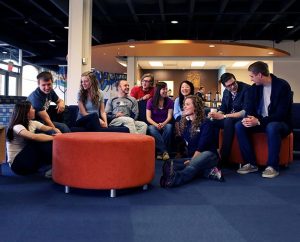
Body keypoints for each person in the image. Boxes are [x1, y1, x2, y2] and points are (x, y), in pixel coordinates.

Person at [235, 61, 293, 178]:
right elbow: (249, 108)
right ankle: (250, 163)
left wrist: (259, 121)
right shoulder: (253, 89)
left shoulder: (282, 86)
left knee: (272, 126)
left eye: (252, 76)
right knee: (239, 125)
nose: (250, 79)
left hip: (280, 123)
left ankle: (272, 166)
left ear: (260, 75)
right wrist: (250, 119)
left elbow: (281, 114)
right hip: (260, 122)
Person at [160, 95, 224, 188]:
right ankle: (209, 172)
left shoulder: (206, 123)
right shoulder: (187, 124)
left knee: (192, 165)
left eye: (187, 104)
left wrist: (192, 161)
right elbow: (187, 145)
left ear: (195, 107)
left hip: (209, 156)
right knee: (169, 163)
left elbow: (201, 147)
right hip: (194, 157)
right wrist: (191, 160)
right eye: (184, 104)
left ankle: (175, 179)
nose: (184, 107)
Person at [6, 101, 59, 176]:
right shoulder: (17, 127)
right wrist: (54, 137)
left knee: (44, 138)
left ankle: (55, 166)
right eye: (32, 109)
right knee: (37, 141)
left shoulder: (33, 123)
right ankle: (56, 166)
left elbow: (50, 129)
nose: (34, 110)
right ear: (26, 112)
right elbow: (33, 136)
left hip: (29, 161)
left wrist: (57, 132)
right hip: (17, 165)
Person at [208, 73, 250, 166]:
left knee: (228, 121)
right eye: (229, 86)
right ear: (224, 86)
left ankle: (224, 158)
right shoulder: (226, 92)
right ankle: (212, 154)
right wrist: (215, 115)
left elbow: (245, 112)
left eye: (233, 83)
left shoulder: (246, 89)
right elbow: (223, 109)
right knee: (210, 122)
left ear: (235, 79)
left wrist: (224, 116)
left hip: (240, 119)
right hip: (228, 118)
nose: (232, 87)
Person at [146, 82, 174, 160]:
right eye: (163, 89)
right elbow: (148, 118)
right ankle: (164, 151)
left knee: (169, 127)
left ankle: (159, 152)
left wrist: (163, 124)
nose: (165, 91)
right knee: (151, 128)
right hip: (154, 124)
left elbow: (169, 116)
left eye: (166, 89)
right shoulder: (150, 101)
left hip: (165, 123)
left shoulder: (169, 101)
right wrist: (156, 125)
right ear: (158, 90)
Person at [173, 80, 195, 157]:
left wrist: (188, 115)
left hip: (193, 118)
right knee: (178, 120)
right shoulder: (177, 100)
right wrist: (185, 114)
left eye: (187, 87)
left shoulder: (195, 99)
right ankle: (180, 150)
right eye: (182, 87)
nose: (184, 89)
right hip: (181, 119)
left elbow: (198, 111)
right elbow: (175, 114)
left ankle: (190, 149)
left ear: (191, 88)